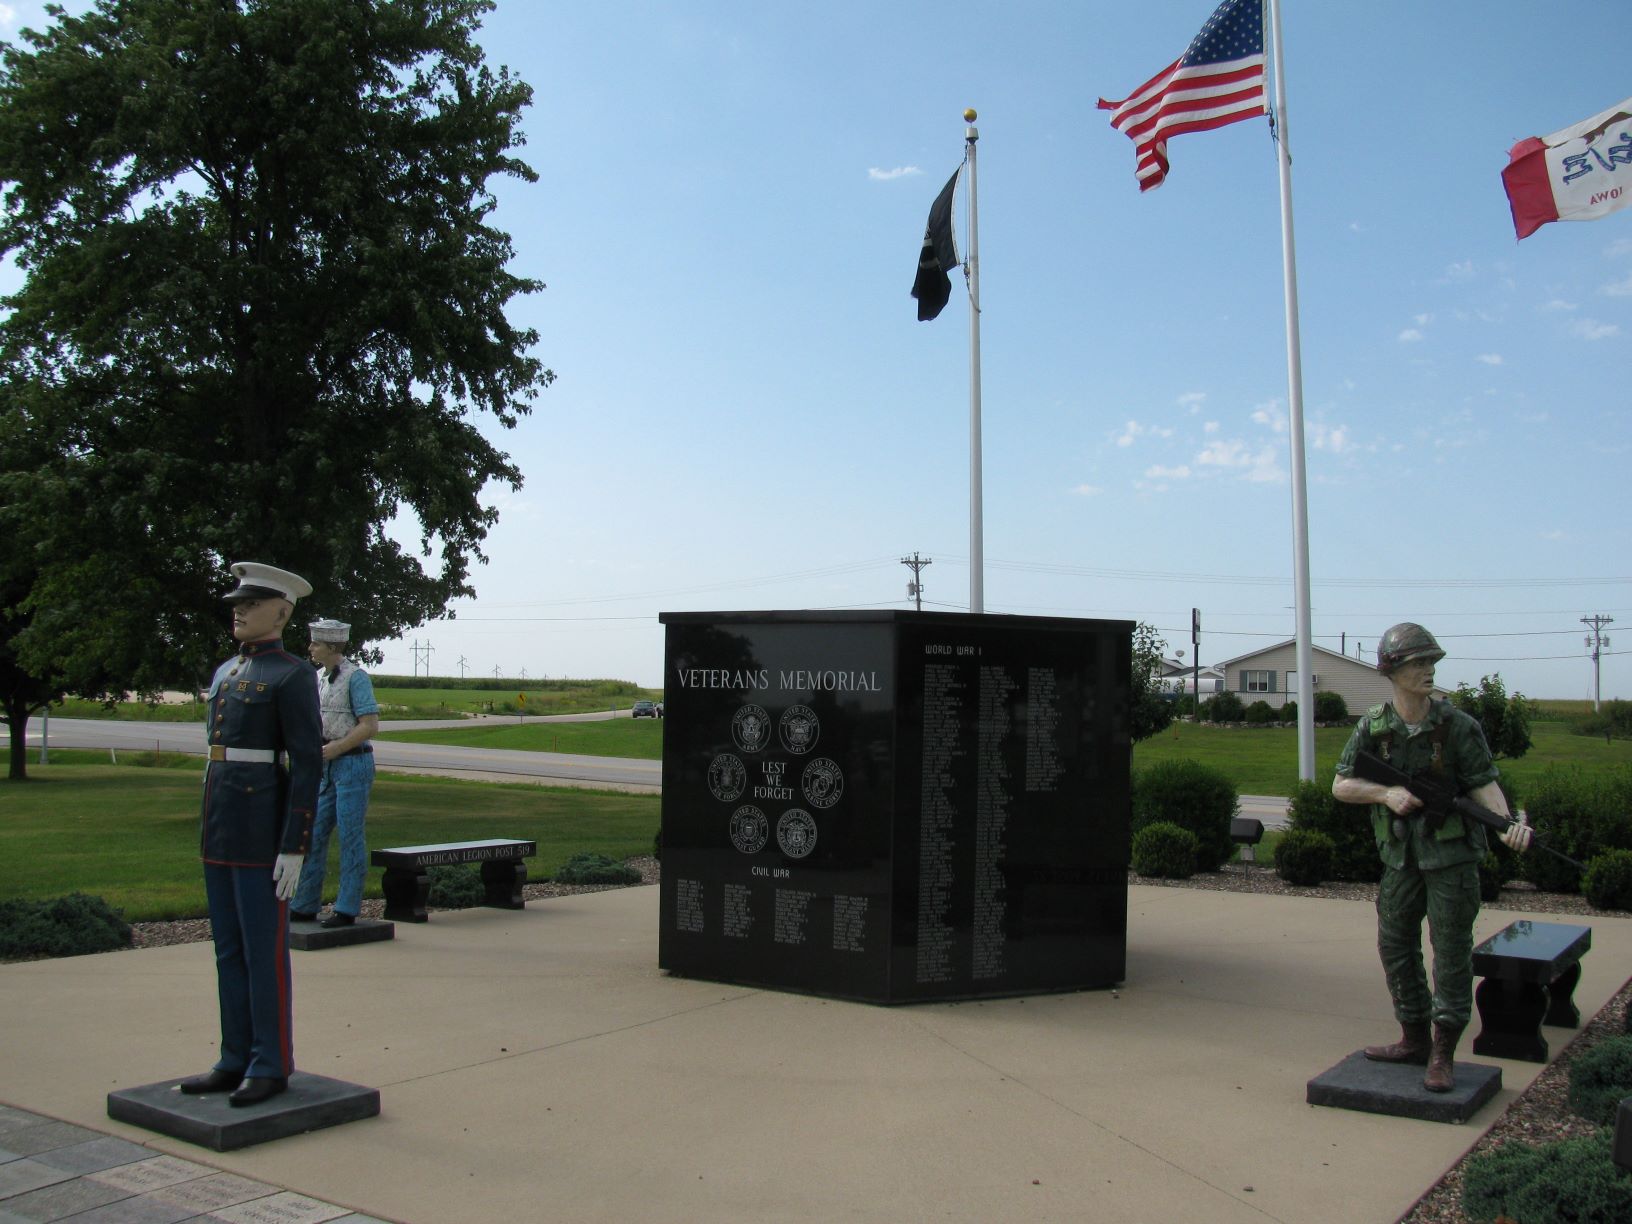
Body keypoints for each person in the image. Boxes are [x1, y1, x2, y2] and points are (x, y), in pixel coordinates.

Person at [1332, 623, 1533, 1093]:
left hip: (1451, 859)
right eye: (1417, 663)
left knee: (1451, 953)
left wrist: (1506, 826)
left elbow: (1483, 783)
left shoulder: (1459, 726)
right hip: (1401, 859)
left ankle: (1443, 1052)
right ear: (1393, 671)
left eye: (1430, 662)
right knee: (1396, 946)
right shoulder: (1373, 726)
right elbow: (1341, 784)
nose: (1428, 670)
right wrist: (1387, 794)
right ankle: (1414, 1037)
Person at [179, 562, 321, 1107]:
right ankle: (234, 1055)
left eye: (251, 602)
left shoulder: (291, 675)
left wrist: (295, 842)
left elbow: (306, 763)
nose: (237, 609)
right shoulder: (226, 672)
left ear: (281, 612)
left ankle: (271, 1061)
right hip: (222, 827)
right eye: (238, 602)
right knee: (229, 951)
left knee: (265, 951)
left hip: (262, 829)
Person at [290, 619, 380, 929]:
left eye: (315, 644)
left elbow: (369, 725)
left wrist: (339, 747)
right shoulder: (317, 678)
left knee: (350, 835)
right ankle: (304, 903)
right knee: (313, 834)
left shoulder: (356, 678)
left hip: (353, 765)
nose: (311, 648)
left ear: (331, 647)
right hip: (324, 766)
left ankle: (347, 907)